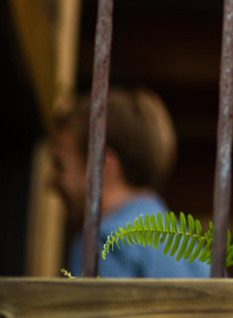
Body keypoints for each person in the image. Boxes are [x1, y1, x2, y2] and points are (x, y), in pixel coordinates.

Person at [48, 85, 209, 278]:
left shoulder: (103, 243)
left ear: (102, 168)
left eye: (60, 165)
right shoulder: (195, 252)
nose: (50, 182)